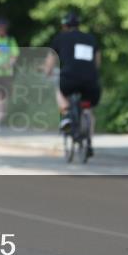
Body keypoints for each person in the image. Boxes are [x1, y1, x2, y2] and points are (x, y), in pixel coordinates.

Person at [44, 10, 101, 157]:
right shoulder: (90, 39)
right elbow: (97, 62)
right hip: (90, 80)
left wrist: (47, 72)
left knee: (59, 89)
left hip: (69, 79)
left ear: (65, 26)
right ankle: (89, 142)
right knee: (88, 109)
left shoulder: (61, 38)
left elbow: (50, 61)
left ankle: (67, 115)